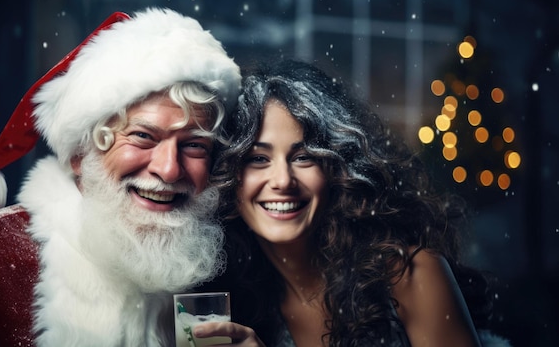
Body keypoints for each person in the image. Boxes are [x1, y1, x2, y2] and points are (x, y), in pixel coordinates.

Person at [0, 8, 242, 346]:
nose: (169, 169)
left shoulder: (217, 268)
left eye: (194, 145)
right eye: (142, 136)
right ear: (82, 154)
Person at [197, 59, 512, 347]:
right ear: (228, 174)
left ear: (337, 168)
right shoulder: (225, 298)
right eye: (258, 159)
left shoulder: (409, 273)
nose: (282, 180)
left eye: (304, 157)